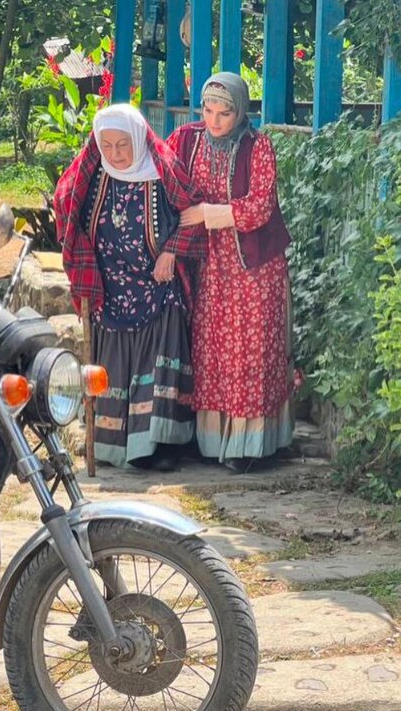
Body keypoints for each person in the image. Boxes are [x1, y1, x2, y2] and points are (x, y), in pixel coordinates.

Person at [54, 104, 205, 471]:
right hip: (111, 287)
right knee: (114, 366)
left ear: (137, 139)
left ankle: (159, 445)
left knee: (160, 357)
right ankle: (112, 444)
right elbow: (64, 205)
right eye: (107, 146)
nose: (117, 154)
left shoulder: (164, 172)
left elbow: (194, 217)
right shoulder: (91, 175)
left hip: (158, 285)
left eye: (123, 145)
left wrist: (171, 251)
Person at [167, 73, 294, 470]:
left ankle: (248, 446)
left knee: (251, 350)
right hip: (207, 263)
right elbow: (159, 177)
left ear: (241, 112)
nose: (215, 120)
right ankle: (209, 440)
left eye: (226, 112)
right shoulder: (185, 141)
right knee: (211, 349)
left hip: (253, 266)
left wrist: (207, 214)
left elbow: (259, 208)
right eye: (208, 110)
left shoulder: (259, 147)